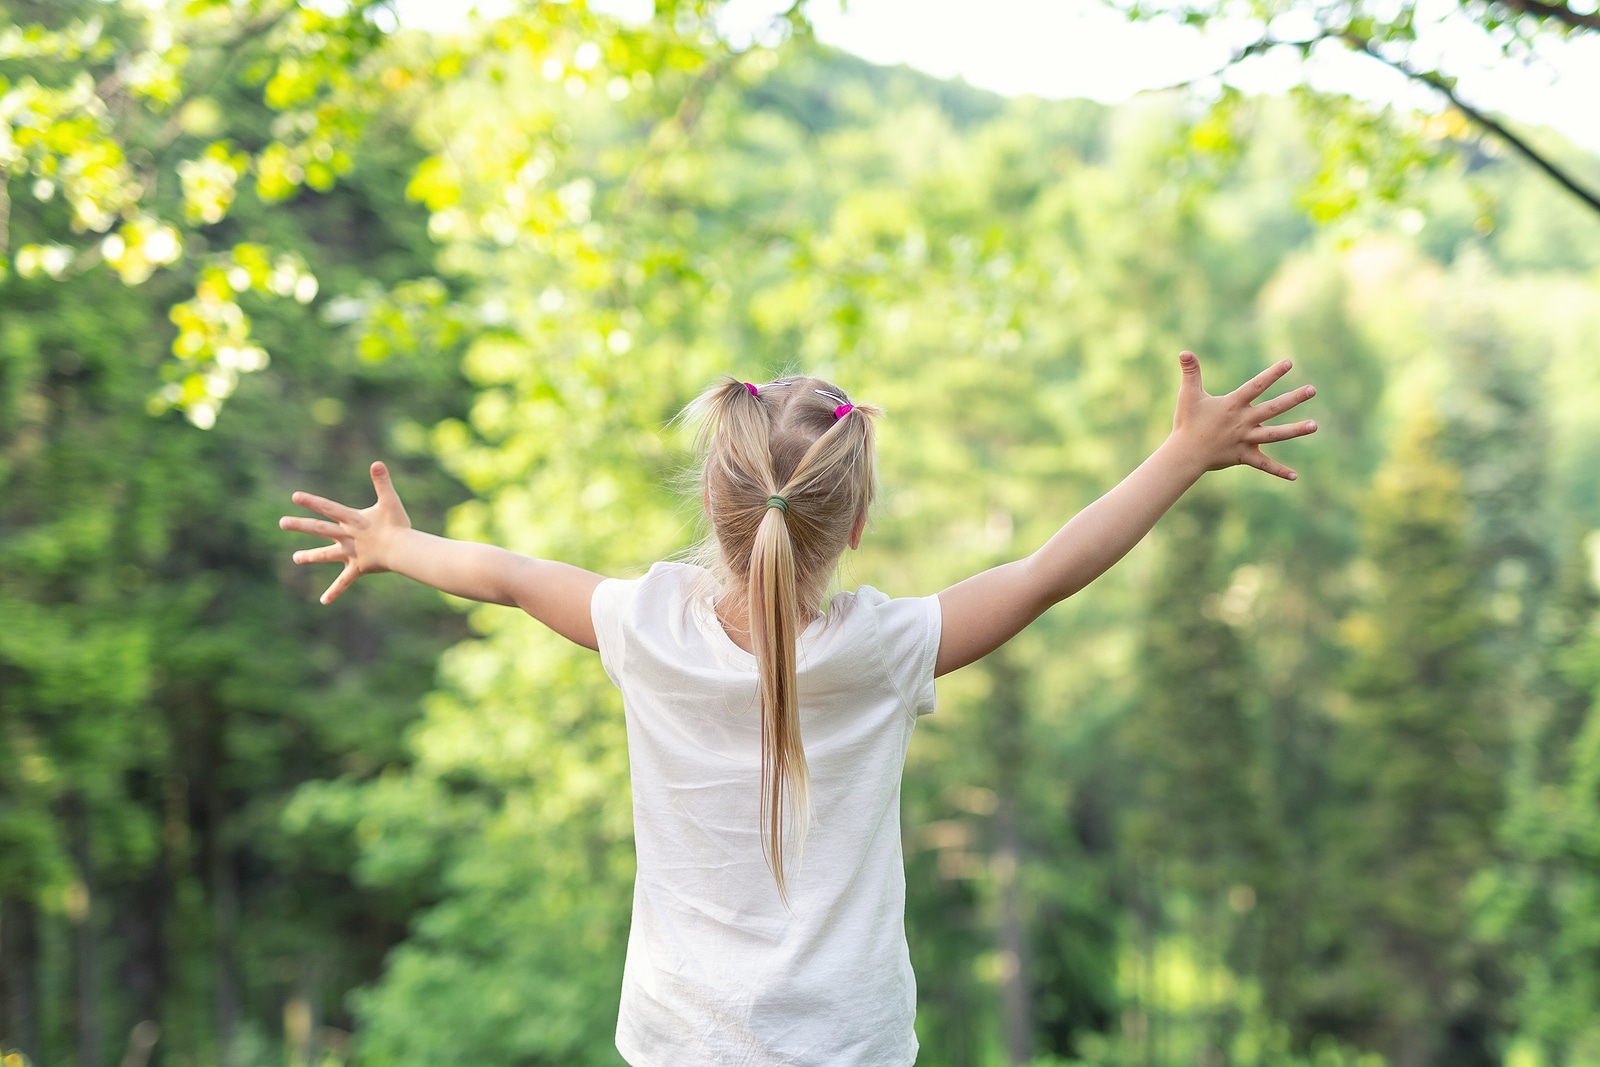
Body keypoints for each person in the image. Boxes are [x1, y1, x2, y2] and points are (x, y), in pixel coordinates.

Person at [279, 351, 1316, 1067]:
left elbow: (503, 574)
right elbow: (1044, 573)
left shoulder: (642, 623)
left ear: (713, 502)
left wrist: (393, 544)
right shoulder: (884, 649)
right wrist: (1180, 454)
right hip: (847, 1041)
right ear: (855, 518)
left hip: (679, 1040)